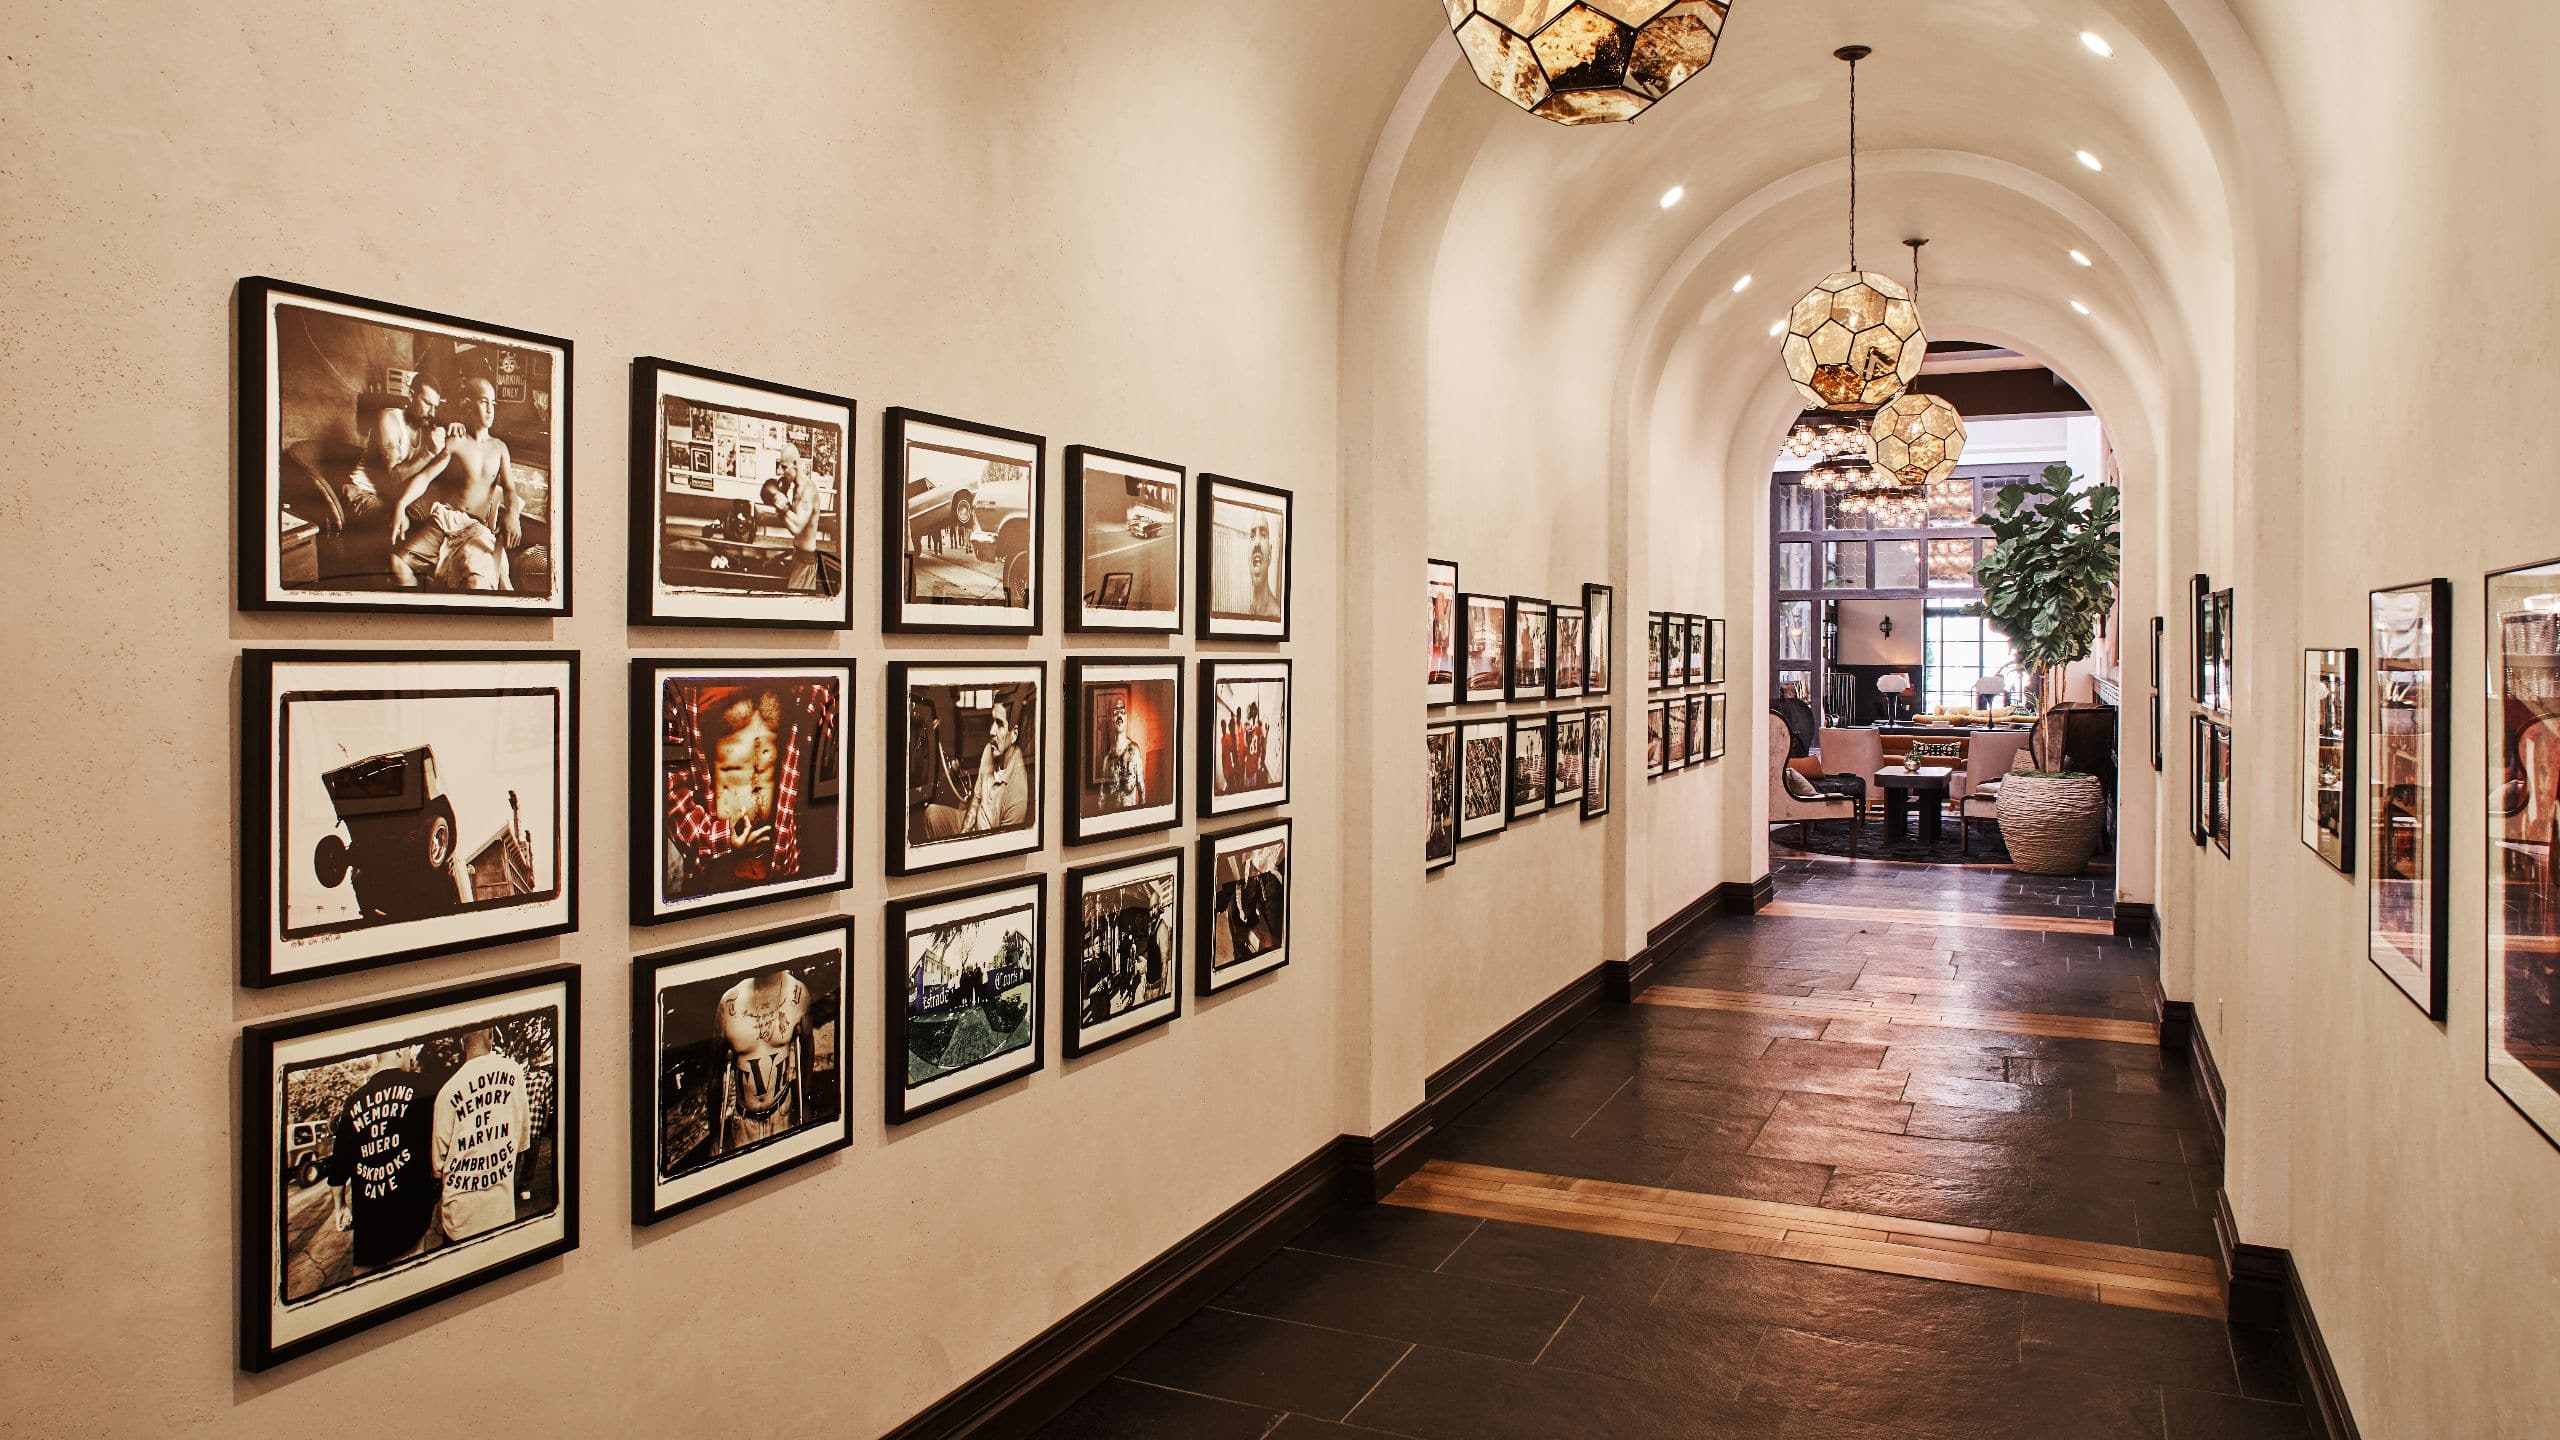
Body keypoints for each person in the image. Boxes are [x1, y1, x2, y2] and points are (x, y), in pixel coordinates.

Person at [662, 682, 834, 897]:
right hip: (717, 863)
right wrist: (718, 837)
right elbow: (669, 786)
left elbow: (826, 773)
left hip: (781, 853)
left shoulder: (809, 688)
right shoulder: (688, 687)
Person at [389, 376, 517, 590]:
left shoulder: (500, 448)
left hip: (475, 527)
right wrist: (400, 505)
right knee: (397, 564)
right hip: (444, 521)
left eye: (493, 403)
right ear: (468, 404)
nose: (490, 409)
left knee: (477, 584)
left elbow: (511, 490)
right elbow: (426, 476)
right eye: (484, 401)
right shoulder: (457, 441)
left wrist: (512, 513)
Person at [323, 1045, 436, 1274]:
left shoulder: (353, 1102)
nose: (410, 1057)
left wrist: (340, 1207)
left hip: (369, 1230)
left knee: (370, 1298)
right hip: (409, 1221)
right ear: (397, 1051)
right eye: (407, 1052)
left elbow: (337, 1170)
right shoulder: (421, 1086)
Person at [431, 1026, 528, 1242]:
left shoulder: (447, 1092)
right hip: (501, 1213)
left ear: (461, 1043)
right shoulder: (514, 1073)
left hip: (460, 1219)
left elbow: (438, 1165)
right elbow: (522, 1144)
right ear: (492, 1036)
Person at [714, 966, 809, 1156]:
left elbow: (807, 1049)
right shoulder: (729, 1002)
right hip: (744, 1122)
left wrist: (805, 1103)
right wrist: (715, 1138)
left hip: (782, 1112)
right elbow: (714, 1073)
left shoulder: (798, 994)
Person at [922, 690, 1029, 839]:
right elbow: (976, 800)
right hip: (974, 824)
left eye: (999, 724)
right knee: (932, 813)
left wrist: (966, 847)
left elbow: (1000, 850)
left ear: (1014, 735)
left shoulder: (1018, 793)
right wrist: (963, 834)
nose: (991, 731)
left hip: (989, 842)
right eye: (993, 722)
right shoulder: (989, 749)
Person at [759, 443, 839, 596]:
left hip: (806, 561)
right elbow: (792, 530)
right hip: (797, 555)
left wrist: (782, 506)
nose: (780, 471)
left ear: (795, 464)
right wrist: (781, 508)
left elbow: (797, 527)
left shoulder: (807, 491)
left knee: (796, 605)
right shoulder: (795, 488)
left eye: (784, 467)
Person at [1096, 698, 1146, 812]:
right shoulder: (1107, 759)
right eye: (1115, 713)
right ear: (1112, 719)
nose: (1119, 716)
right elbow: (1101, 797)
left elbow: (1141, 789)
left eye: (1122, 712)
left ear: (1126, 718)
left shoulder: (1133, 751)